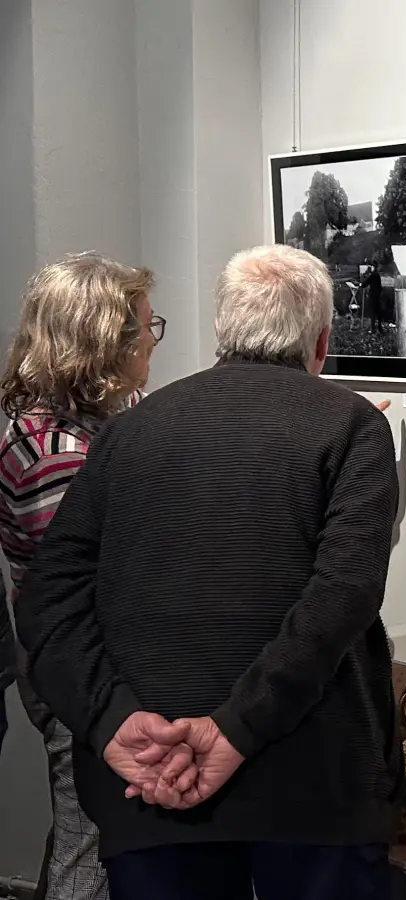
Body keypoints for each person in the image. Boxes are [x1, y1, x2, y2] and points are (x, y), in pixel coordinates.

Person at [14, 245, 400, 900]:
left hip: (152, 782)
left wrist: (113, 722)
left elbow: (46, 601)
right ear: (323, 340)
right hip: (310, 784)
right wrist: (234, 729)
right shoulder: (351, 425)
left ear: (223, 330)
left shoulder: (129, 432)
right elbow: (343, 594)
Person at [0, 252, 163, 900]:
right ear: (103, 344)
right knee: (90, 839)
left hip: (74, 665)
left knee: (81, 829)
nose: (152, 342)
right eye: (146, 329)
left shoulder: (78, 427)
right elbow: (71, 598)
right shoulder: (56, 455)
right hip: (81, 673)